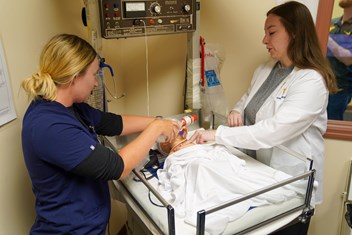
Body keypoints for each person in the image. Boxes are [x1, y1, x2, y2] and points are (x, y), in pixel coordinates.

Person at [188, 2, 337, 234]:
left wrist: (217, 134)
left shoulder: (311, 82)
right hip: (262, 174)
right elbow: (248, 98)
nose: (264, 40)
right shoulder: (267, 68)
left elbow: (273, 130)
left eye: (272, 32)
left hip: (291, 184)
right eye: (265, 33)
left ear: (295, 33)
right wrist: (237, 110)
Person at [21, 33, 180, 235]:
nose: (96, 83)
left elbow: (112, 123)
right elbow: (117, 167)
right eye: (94, 74)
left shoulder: (69, 106)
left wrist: (159, 121)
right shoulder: (49, 126)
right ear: (74, 76)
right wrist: (156, 129)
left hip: (87, 225)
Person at [327, 0, 352, 120]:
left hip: (340, 89)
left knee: (331, 124)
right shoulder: (330, 23)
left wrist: (327, 39)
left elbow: (348, 59)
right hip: (320, 84)